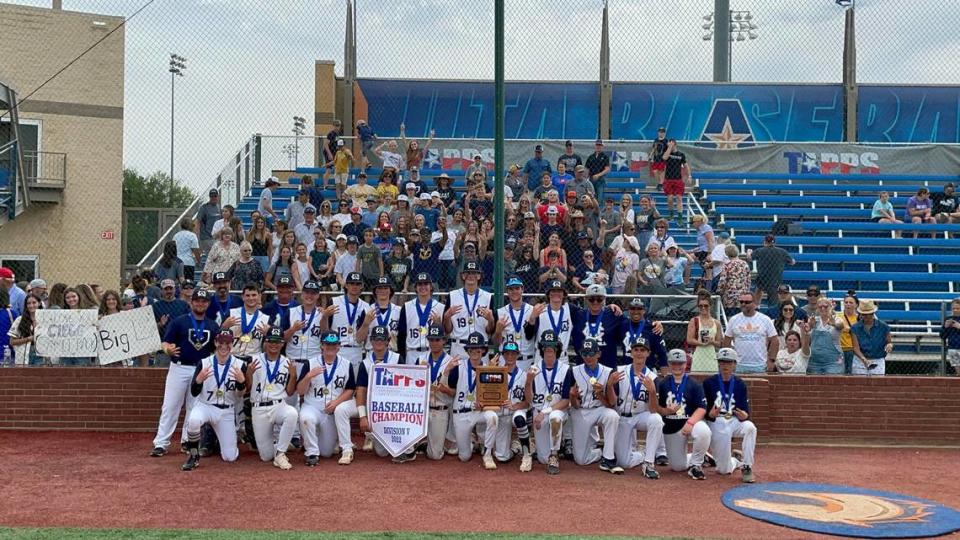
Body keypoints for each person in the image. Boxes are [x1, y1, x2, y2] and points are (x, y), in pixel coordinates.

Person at [149, 288, 219, 457]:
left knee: (193, 407)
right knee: (170, 406)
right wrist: (168, 351)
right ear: (191, 302)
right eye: (197, 301)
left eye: (204, 301)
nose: (200, 304)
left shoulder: (212, 325)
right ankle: (161, 443)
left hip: (200, 370)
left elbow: (216, 349)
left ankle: (188, 441)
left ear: (208, 304)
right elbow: (165, 342)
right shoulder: (179, 321)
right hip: (179, 367)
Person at [180, 330, 247, 471]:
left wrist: (241, 382)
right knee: (193, 420)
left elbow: (240, 395)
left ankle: (218, 442)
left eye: (227, 343)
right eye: (220, 343)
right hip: (206, 405)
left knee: (230, 457)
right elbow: (194, 392)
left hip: (226, 410)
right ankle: (193, 455)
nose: (224, 346)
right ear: (215, 343)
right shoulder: (204, 363)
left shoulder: (239, 365)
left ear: (232, 344)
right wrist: (198, 380)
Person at [343, 325, 403, 463]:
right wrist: (363, 416)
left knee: (395, 447)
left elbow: (403, 389)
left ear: (388, 341)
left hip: (393, 409)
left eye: (382, 339)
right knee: (381, 453)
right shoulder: (366, 362)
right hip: (374, 409)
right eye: (375, 339)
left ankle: (408, 446)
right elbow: (361, 390)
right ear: (371, 340)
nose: (379, 342)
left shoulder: (397, 358)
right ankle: (365, 438)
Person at [297, 330, 356, 466]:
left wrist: (336, 402)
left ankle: (321, 438)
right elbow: (300, 390)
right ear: (321, 346)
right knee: (306, 418)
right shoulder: (310, 363)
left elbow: (350, 389)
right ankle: (311, 452)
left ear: (339, 346)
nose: (330, 348)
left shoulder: (346, 364)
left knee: (327, 453)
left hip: (331, 412)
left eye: (334, 345)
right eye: (327, 344)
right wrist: (308, 377)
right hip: (313, 406)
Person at [607, 336, 663, 479]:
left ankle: (648, 462)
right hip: (622, 417)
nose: (639, 353)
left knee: (656, 419)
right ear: (631, 352)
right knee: (624, 462)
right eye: (636, 350)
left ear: (648, 353)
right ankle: (642, 453)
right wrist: (609, 386)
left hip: (640, 416)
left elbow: (653, 410)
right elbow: (612, 402)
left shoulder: (652, 377)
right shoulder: (620, 371)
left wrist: (651, 392)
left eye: (642, 350)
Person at [442, 332, 500, 469]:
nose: (475, 352)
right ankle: (472, 441)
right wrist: (447, 370)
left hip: (478, 411)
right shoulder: (458, 366)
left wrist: (484, 404)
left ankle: (487, 453)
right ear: (467, 351)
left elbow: (491, 395)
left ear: (483, 351)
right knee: (464, 457)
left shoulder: (487, 368)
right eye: (472, 349)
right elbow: (451, 390)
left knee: (492, 417)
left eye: (478, 349)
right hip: (461, 413)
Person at [245, 327, 299, 469]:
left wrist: (293, 376)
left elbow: (290, 392)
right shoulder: (254, 360)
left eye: (277, 342)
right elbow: (248, 389)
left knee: (292, 413)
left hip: (278, 405)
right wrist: (249, 374)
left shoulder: (287, 363)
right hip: (259, 407)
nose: (273, 345)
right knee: (266, 456)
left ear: (282, 344)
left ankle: (281, 453)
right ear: (265, 342)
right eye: (270, 341)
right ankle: (279, 445)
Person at [702, 348, 757, 483]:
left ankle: (747, 466)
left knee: (750, 428)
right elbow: (704, 410)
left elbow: (744, 411)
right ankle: (736, 460)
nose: (725, 365)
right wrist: (710, 414)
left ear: (734, 364)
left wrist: (745, 416)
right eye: (722, 362)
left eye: (728, 362)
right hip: (717, 420)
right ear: (718, 364)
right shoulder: (709, 383)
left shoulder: (740, 384)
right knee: (723, 470)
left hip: (734, 420)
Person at [569, 339, 622, 473]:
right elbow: (575, 406)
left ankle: (608, 458)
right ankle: (599, 452)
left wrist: (602, 392)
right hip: (580, 411)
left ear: (598, 354)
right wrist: (572, 397)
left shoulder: (608, 372)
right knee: (581, 460)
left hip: (600, 409)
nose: (588, 357)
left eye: (591, 353)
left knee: (612, 416)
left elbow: (611, 405)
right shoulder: (574, 371)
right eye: (585, 353)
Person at [524, 330, 574, 474]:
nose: (549, 350)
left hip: (557, 411)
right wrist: (528, 382)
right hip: (538, 413)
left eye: (552, 347)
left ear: (557, 349)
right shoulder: (534, 369)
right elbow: (529, 400)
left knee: (555, 417)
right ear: (541, 349)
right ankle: (551, 450)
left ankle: (555, 455)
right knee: (542, 459)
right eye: (546, 347)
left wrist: (545, 412)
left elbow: (565, 401)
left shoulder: (565, 370)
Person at [658, 349, 711, 480]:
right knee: (677, 467)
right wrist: (666, 410)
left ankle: (696, 465)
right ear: (669, 364)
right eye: (674, 363)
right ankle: (702, 456)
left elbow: (702, 408)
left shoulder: (694, 384)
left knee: (704, 431)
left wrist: (690, 422)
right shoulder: (662, 383)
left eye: (680, 363)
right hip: (671, 427)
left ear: (685, 364)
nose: (677, 367)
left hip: (690, 423)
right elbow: (657, 407)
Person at [407, 325, 455, 461]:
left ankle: (427, 443)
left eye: (437, 340)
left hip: (439, 409)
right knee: (406, 446)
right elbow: (412, 387)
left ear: (444, 341)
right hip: (421, 410)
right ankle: (419, 442)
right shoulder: (420, 359)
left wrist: (445, 389)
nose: (434, 343)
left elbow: (454, 392)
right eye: (431, 340)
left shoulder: (451, 362)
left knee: (435, 456)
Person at [320, 272, 371, 373]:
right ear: (346, 285)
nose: (354, 286)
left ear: (362, 286)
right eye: (352, 283)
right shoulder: (334, 302)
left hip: (356, 350)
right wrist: (325, 316)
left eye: (357, 284)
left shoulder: (366, 307)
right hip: (337, 349)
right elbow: (324, 331)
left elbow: (361, 339)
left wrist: (366, 324)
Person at [444, 261, 494, 359]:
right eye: (468, 273)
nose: (471, 276)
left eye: (474, 273)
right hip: (459, 347)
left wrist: (491, 320)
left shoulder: (488, 297)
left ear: (479, 276)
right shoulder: (452, 295)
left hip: (481, 348)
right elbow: (448, 330)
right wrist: (446, 317)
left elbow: (490, 331)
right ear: (463, 276)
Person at [397, 273, 446, 365]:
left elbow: (445, 336)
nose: (423, 287)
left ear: (431, 286)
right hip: (412, 353)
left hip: (432, 353)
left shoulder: (440, 307)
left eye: (426, 284)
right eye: (420, 284)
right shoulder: (407, 307)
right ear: (415, 288)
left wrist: (439, 325)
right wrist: (402, 357)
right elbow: (401, 336)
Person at [723, 293, 778, 374]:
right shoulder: (733, 320)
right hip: (739, 365)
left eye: (747, 302)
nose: (743, 304)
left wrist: (771, 360)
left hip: (760, 365)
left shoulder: (765, 319)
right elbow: (726, 341)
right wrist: (729, 360)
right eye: (741, 302)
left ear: (754, 304)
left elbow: (775, 341)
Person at [493, 276, 537, 371]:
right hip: (505, 361)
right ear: (507, 291)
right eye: (511, 289)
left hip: (527, 360)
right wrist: (498, 331)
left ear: (522, 289)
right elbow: (496, 343)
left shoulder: (532, 311)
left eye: (517, 288)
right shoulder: (500, 312)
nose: (514, 292)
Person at [358, 277, 401, 354]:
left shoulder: (399, 310)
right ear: (375, 291)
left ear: (390, 291)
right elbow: (359, 339)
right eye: (380, 288)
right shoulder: (367, 310)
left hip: (392, 354)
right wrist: (365, 324)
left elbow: (403, 337)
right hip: (371, 353)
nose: (383, 291)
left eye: (385, 288)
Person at [803, 298, 845, 375]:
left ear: (830, 307)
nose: (823, 309)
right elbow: (807, 338)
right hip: (814, 362)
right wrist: (809, 328)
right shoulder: (813, 320)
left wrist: (833, 323)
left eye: (825, 306)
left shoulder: (837, 319)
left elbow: (841, 326)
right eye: (820, 307)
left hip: (833, 362)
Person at [750, 235, 795, 305]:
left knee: (759, 289)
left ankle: (756, 306)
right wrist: (792, 260)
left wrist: (748, 252)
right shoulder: (782, 251)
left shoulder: (760, 250)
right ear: (774, 242)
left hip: (763, 277)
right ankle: (772, 308)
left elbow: (750, 258)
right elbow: (792, 262)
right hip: (775, 278)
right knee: (773, 297)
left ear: (765, 242)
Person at [850, 300, 892, 376]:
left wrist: (889, 346)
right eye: (864, 314)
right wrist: (864, 359)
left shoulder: (884, 326)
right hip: (860, 360)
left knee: (877, 385)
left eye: (868, 314)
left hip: (878, 359)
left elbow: (889, 342)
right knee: (859, 385)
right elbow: (856, 348)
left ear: (873, 313)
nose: (866, 316)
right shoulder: (855, 328)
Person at [688, 294, 723, 373]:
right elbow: (689, 339)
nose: (703, 308)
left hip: (711, 355)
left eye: (706, 305)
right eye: (700, 306)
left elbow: (719, 343)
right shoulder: (694, 321)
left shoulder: (716, 323)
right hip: (698, 354)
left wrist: (712, 342)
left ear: (710, 306)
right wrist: (701, 343)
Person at [8, 293, 42, 365]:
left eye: (34, 303)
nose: (31, 305)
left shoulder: (46, 319)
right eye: (28, 303)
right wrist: (28, 339)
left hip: (41, 355)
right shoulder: (19, 320)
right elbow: (12, 342)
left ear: (39, 303)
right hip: (24, 354)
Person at [717, 245, 751, 315]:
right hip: (742, 294)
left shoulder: (727, 264)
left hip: (730, 295)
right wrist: (747, 291)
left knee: (730, 316)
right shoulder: (745, 264)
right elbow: (748, 280)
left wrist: (719, 291)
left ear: (727, 254)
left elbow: (723, 280)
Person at [660, 139, 689, 219]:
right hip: (668, 179)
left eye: (671, 144)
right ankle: (671, 214)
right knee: (670, 198)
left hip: (678, 179)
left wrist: (689, 176)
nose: (669, 145)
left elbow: (686, 165)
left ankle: (680, 217)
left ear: (675, 144)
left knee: (679, 198)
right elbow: (664, 158)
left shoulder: (681, 155)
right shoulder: (667, 153)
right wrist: (669, 148)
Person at [838, 293, 860, 374]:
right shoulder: (838, 316)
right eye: (846, 302)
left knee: (851, 373)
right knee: (840, 373)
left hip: (853, 350)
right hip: (840, 350)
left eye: (851, 303)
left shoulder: (859, 318)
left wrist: (850, 329)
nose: (848, 304)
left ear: (856, 305)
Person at [196, 189, 221, 254]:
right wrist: (197, 235)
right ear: (209, 197)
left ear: (218, 196)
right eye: (212, 196)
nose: (213, 198)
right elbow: (198, 221)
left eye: (215, 196)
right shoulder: (204, 207)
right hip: (206, 237)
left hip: (216, 236)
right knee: (216, 252)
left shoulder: (218, 207)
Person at [940, 298, 960, 376]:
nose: (955, 310)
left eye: (958, 308)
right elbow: (942, 336)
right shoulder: (948, 319)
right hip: (953, 347)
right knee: (956, 364)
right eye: (953, 308)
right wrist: (945, 327)